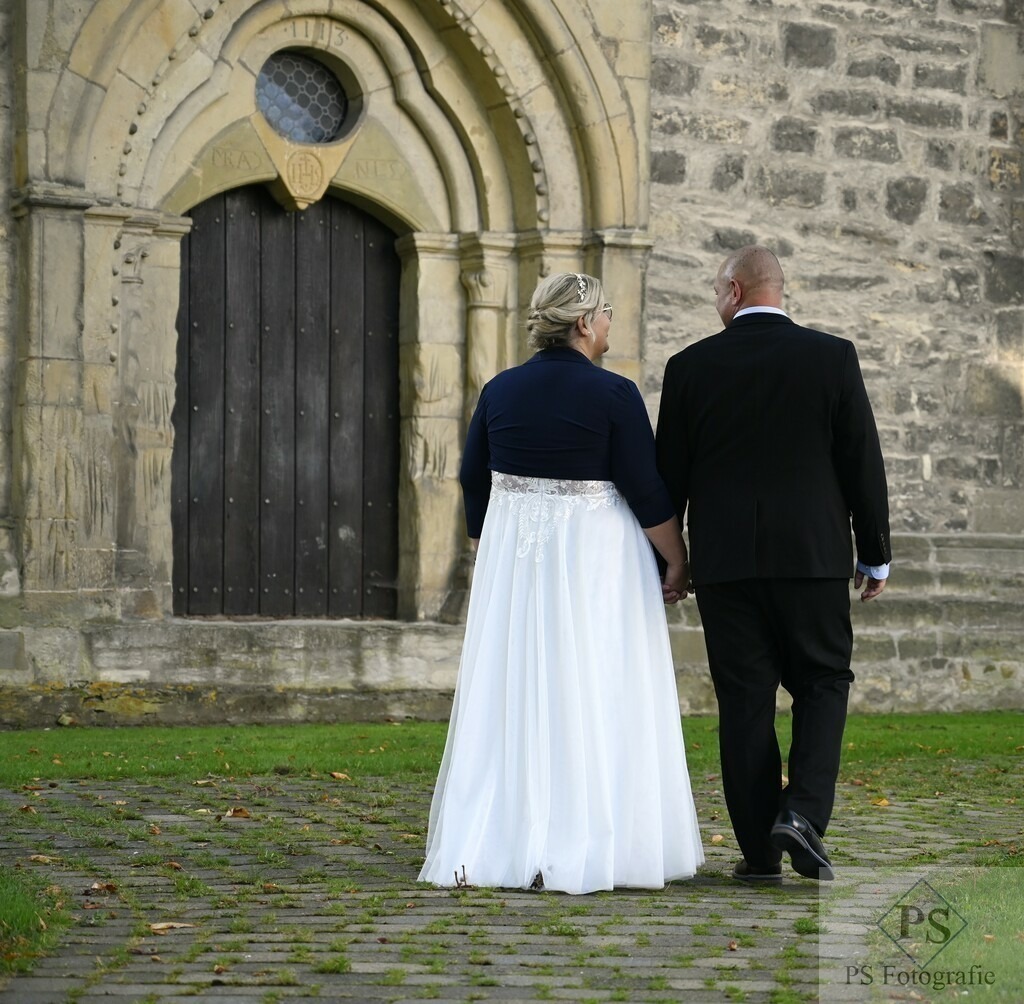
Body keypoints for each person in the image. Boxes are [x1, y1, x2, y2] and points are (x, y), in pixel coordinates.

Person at [418, 272, 704, 894]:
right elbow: (645, 487)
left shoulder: (499, 390)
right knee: (597, 681)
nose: (609, 324)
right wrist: (676, 559)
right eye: (604, 313)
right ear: (582, 325)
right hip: (596, 562)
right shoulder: (615, 394)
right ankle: (599, 842)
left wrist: (496, 547)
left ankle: (506, 839)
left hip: (518, 564)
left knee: (516, 686)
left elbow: (472, 476)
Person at [655, 246, 891, 883]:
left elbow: (667, 478)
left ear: (734, 290)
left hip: (726, 565)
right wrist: (875, 553)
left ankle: (760, 852)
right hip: (812, 559)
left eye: (714, 291)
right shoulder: (831, 357)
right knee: (822, 681)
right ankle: (804, 816)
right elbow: (862, 463)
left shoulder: (689, 367)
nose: (714, 301)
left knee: (745, 700)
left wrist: (671, 563)